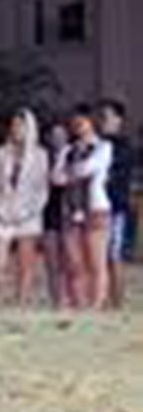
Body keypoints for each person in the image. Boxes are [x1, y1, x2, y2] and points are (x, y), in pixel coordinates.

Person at [0, 109, 49, 306]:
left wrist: (28, 212)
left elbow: (42, 189)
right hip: (4, 213)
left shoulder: (40, 155)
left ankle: (22, 301)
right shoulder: (2, 152)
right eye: (13, 125)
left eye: (20, 126)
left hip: (28, 216)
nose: (16, 129)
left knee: (25, 264)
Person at [62, 106, 114, 310]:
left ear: (91, 123)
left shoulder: (103, 147)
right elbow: (57, 176)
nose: (78, 126)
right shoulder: (69, 150)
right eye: (75, 123)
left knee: (96, 261)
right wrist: (70, 172)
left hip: (95, 207)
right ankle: (79, 302)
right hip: (72, 207)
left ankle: (97, 303)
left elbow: (88, 168)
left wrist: (70, 172)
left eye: (82, 122)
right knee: (75, 261)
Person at [99, 99, 133, 309]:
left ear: (118, 120)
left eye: (107, 117)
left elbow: (114, 176)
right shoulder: (97, 143)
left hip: (115, 207)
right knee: (99, 256)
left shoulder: (123, 147)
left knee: (114, 254)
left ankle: (117, 301)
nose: (103, 121)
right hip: (96, 207)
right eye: (101, 117)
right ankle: (101, 299)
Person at [42, 122, 73, 308]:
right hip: (49, 210)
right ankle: (56, 299)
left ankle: (70, 296)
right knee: (51, 259)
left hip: (68, 210)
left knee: (69, 259)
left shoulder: (73, 155)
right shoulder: (44, 157)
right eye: (54, 135)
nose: (57, 139)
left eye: (61, 134)